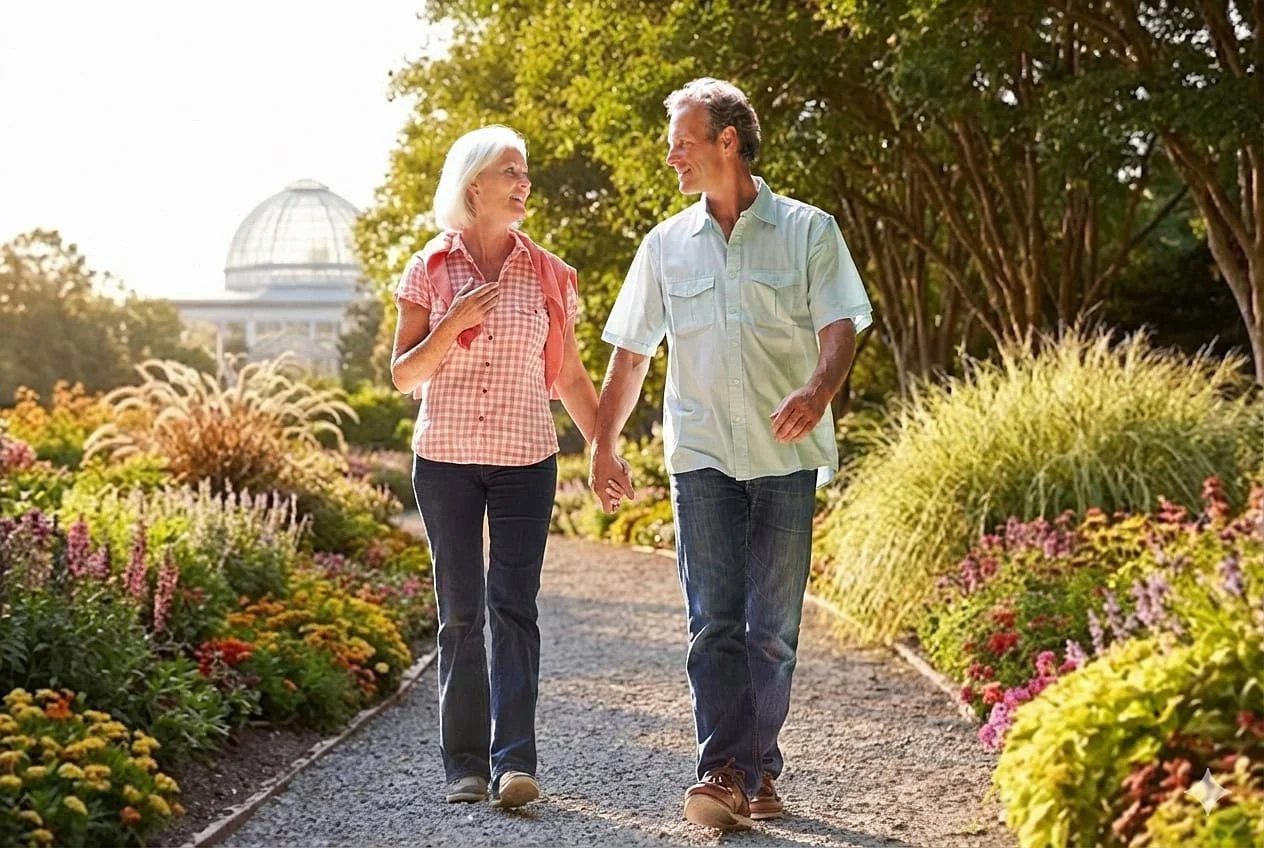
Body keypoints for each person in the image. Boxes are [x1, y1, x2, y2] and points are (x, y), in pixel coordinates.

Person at [589, 79, 873, 831]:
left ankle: (757, 771)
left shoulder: (809, 230)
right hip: (703, 455)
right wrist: (603, 442)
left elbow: (841, 323)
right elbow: (630, 353)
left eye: (682, 139)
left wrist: (818, 388)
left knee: (771, 631)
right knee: (712, 623)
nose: (670, 154)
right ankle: (724, 771)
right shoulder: (664, 246)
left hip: (784, 455)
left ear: (727, 142)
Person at [391, 125, 618, 809]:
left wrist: (604, 446)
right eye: (510, 172)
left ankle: (514, 764)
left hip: (526, 460)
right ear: (473, 185)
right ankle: (463, 765)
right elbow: (404, 375)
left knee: (513, 608)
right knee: (460, 614)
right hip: (446, 464)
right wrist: (450, 323)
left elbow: (571, 376)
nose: (524, 184)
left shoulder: (547, 273)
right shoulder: (428, 269)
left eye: (525, 172)